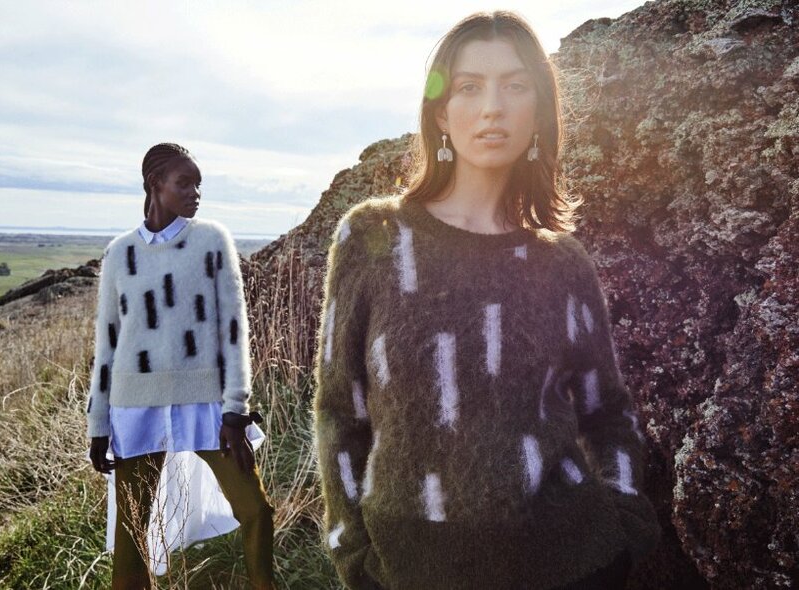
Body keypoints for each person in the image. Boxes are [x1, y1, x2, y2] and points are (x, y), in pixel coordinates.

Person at [313, 11, 662, 590]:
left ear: (540, 110)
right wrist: (354, 556)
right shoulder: (371, 239)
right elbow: (339, 413)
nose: (492, 106)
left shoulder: (562, 262)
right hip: (410, 568)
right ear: (441, 112)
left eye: (515, 85)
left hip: (571, 564)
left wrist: (623, 524)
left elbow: (608, 411)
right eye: (469, 86)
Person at [86, 142, 275, 590]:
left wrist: (235, 409)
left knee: (255, 509)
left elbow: (234, 328)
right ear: (155, 185)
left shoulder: (211, 240)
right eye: (183, 183)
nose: (195, 193)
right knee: (133, 529)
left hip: (206, 403)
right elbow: (107, 342)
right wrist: (98, 423)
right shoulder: (119, 253)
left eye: (198, 185)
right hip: (135, 407)